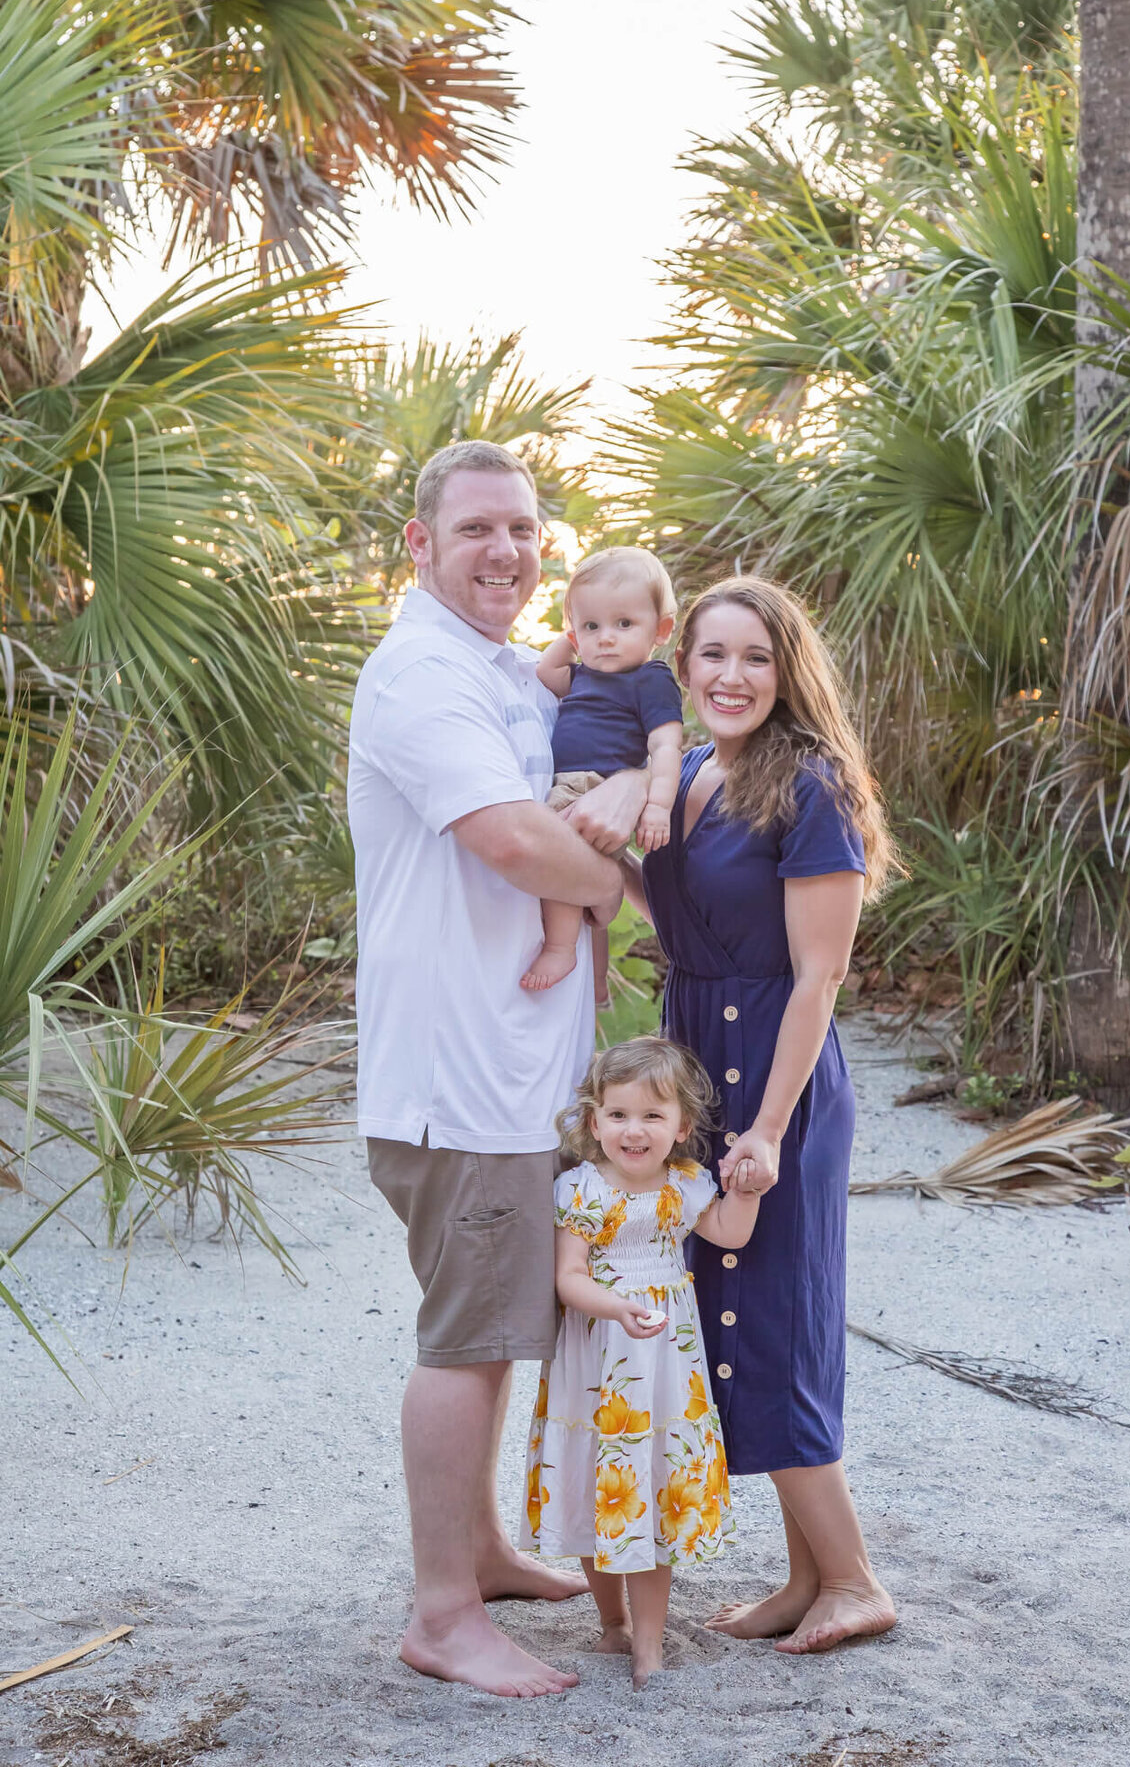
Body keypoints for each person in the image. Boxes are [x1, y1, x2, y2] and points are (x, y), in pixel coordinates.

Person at [347, 439, 649, 1699]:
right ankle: (442, 1615)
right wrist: (625, 887)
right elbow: (517, 839)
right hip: (458, 1083)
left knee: (496, 1324)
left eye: (524, 529)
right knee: (467, 1342)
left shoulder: (505, 675)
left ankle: (481, 1551)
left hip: (513, 1078)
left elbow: (599, 768)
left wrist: (636, 779)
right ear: (418, 546)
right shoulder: (421, 673)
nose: (506, 552)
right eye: (476, 529)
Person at [621, 576, 901, 1656]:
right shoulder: (686, 772)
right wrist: (607, 859)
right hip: (698, 1058)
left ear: (787, 673)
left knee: (776, 1313)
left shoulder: (812, 786)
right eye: (712, 655)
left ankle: (854, 1577)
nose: (731, 676)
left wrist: (770, 1130)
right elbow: (684, 912)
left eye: (755, 657)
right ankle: (802, 1579)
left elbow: (817, 977)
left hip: (775, 1070)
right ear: (681, 667)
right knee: (724, 1315)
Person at [518, 1037, 762, 1688]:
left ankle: (649, 1644)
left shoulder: (685, 1186)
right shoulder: (582, 1189)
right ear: (594, 1122)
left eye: (653, 1116)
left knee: (648, 1493)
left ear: (681, 1127)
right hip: (598, 1356)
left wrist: (748, 1189)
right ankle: (612, 1626)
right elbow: (568, 1279)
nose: (634, 1130)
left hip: (664, 1363)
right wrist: (616, 1306)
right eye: (619, 1114)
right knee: (605, 1489)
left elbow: (731, 1234)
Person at [521, 547, 684, 993]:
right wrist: (575, 635)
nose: (605, 638)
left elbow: (666, 745)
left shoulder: (650, 678)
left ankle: (559, 949)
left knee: (556, 859)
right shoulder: (585, 673)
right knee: (572, 873)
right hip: (577, 785)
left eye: (624, 624)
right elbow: (545, 669)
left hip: (595, 786)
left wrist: (657, 808)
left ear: (661, 630)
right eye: (593, 626)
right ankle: (593, 985)